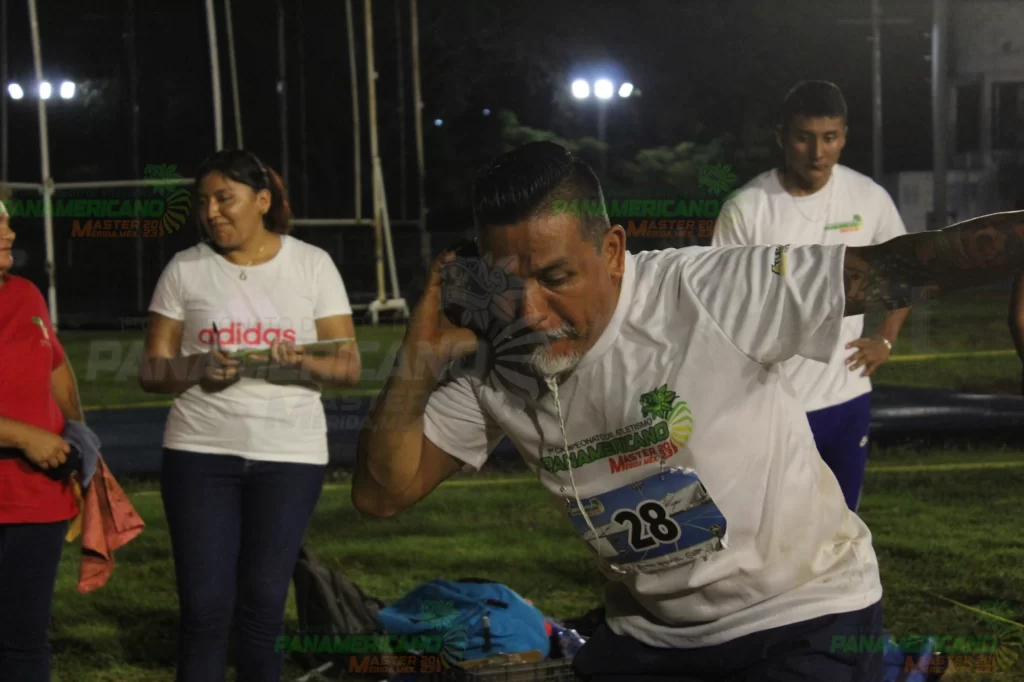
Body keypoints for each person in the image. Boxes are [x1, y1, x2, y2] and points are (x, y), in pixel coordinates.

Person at [351, 140, 1024, 681]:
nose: (529, 311)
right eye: (505, 284)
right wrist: (420, 354)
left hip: (800, 614)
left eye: (556, 278)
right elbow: (382, 494)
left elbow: (904, 265)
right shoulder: (502, 356)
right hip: (651, 638)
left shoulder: (708, 291)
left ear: (612, 252)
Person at [138, 149, 362, 682]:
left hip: (290, 457)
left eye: (224, 199)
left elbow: (348, 366)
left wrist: (301, 361)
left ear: (262, 201)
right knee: (204, 610)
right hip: (199, 454)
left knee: (263, 608)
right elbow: (152, 370)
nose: (211, 212)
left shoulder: (311, 264)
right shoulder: (185, 267)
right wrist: (198, 367)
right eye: (203, 202)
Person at [712, 80, 911, 512]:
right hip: (772, 405)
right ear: (782, 136)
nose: (817, 152)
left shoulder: (868, 198)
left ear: (844, 137)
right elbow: (718, 307)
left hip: (847, 399)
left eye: (829, 137)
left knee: (842, 523)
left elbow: (905, 271)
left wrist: (885, 339)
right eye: (804, 138)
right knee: (775, 528)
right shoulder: (746, 208)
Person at [0, 198, 86, 680]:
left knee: (26, 639)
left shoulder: (27, 293)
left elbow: (54, 365)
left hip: (38, 498)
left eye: (7, 221)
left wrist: (79, 435)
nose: (9, 233)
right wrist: (22, 436)